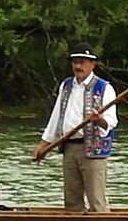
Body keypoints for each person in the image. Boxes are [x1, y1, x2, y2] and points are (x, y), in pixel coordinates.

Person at [33, 43, 117, 212]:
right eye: (75, 62)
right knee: (71, 200)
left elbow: (111, 121)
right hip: (69, 147)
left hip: (93, 149)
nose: (78, 66)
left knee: (96, 200)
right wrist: (43, 144)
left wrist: (97, 119)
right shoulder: (66, 86)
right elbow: (56, 117)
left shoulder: (104, 88)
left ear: (92, 64)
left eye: (82, 62)